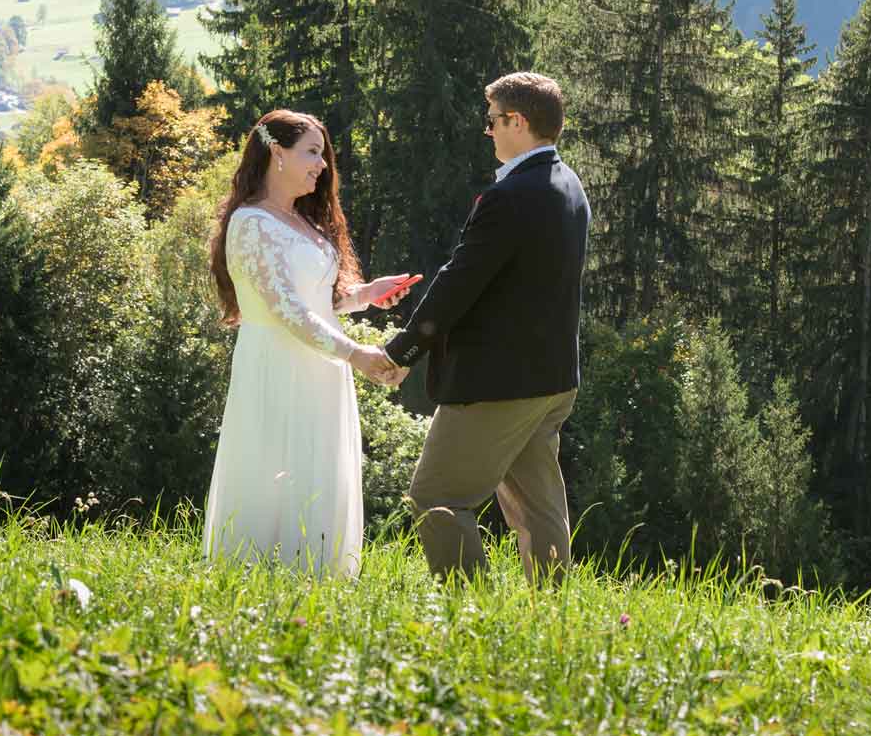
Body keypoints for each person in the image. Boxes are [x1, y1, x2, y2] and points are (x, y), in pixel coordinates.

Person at [383, 71, 590, 582]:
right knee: (538, 505)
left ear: (517, 121)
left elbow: (458, 283)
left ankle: (468, 611)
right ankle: (551, 615)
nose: (489, 131)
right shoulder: (569, 184)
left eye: (494, 120)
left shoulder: (510, 196)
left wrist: (402, 351)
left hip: (499, 383)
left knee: (436, 496)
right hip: (552, 378)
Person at [202, 109, 416, 574]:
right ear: (276, 153)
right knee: (275, 468)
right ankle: (255, 579)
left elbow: (317, 302)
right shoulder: (251, 223)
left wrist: (363, 294)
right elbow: (285, 311)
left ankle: (318, 579)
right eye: (312, 152)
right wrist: (356, 353)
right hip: (276, 365)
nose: (322, 165)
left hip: (320, 366)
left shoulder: (303, 222)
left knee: (315, 472)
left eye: (323, 154)